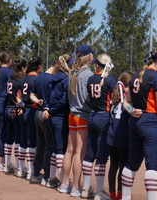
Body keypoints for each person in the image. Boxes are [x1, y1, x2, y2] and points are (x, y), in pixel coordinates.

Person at [122, 50, 157, 200]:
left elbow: (126, 102)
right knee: (152, 165)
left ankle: (125, 197)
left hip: (135, 122)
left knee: (131, 163)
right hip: (151, 123)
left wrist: (132, 112)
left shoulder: (137, 75)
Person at [57, 44, 95, 197]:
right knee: (80, 152)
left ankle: (64, 184)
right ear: (89, 57)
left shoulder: (72, 71)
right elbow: (88, 98)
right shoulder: (88, 74)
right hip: (82, 116)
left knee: (69, 150)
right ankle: (75, 187)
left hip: (72, 114)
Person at [81, 54, 116, 200]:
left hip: (92, 117)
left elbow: (88, 100)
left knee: (89, 154)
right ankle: (99, 191)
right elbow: (117, 98)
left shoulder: (91, 79)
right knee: (102, 156)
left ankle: (86, 188)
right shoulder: (110, 79)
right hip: (104, 117)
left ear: (97, 65)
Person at [42, 54, 72, 188]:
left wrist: (48, 109)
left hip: (52, 115)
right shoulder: (66, 79)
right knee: (61, 149)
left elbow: (48, 98)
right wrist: (52, 110)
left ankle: (51, 178)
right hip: (60, 116)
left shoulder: (53, 77)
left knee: (55, 148)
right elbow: (64, 100)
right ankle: (61, 180)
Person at [107, 71, 134, 200]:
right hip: (123, 137)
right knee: (123, 166)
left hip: (112, 136)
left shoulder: (115, 97)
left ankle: (112, 195)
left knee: (113, 165)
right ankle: (120, 194)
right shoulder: (127, 99)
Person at [17, 56, 42, 180]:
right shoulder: (37, 79)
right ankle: (31, 172)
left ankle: (21, 169)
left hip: (23, 110)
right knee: (31, 142)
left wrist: (20, 106)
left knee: (23, 141)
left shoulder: (23, 79)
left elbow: (20, 97)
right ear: (39, 67)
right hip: (32, 110)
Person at [29, 61, 54, 185]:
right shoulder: (53, 79)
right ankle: (47, 176)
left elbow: (31, 95)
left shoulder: (39, 77)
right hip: (47, 114)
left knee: (40, 145)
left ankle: (36, 173)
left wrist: (38, 101)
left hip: (37, 113)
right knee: (49, 145)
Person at [4, 59, 27, 175]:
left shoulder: (10, 78)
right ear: (22, 68)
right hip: (15, 109)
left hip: (8, 108)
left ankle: (7, 165)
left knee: (9, 137)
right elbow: (19, 96)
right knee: (18, 138)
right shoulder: (20, 80)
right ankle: (19, 167)